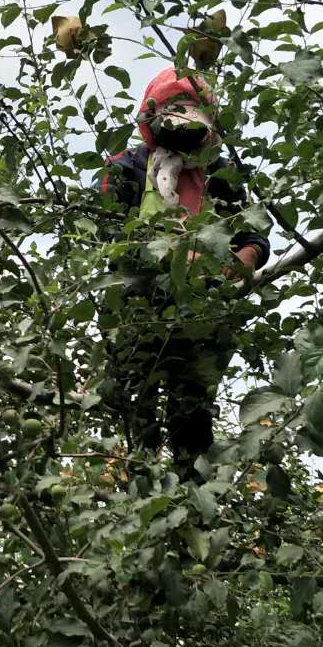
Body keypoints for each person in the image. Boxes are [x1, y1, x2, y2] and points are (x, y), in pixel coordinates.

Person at [96, 66, 271, 468]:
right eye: (175, 112)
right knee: (134, 408)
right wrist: (164, 254)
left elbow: (254, 234)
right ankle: (139, 484)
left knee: (191, 415)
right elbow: (105, 232)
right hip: (136, 308)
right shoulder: (127, 167)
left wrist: (244, 259)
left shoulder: (220, 176)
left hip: (203, 311)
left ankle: (189, 500)